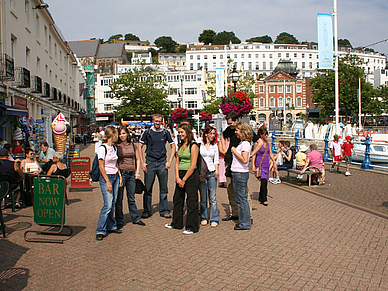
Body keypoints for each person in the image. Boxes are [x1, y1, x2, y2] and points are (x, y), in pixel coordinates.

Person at [138, 113, 176, 218]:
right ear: (153, 121)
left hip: (162, 163)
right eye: (156, 121)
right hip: (150, 162)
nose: (157, 123)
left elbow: (173, 146)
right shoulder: (147, 132)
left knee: (164, 188)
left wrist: (169, 161)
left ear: (161, 121)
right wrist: (142, 162)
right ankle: (147, 210)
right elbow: (139, 146)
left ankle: (164, 210)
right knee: (148, 188)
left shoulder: (165, 132)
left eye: (159, 121)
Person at [165, 123, 200, 235]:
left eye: (182, 132)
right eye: (178, 132)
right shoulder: (180, 146)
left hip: (190, 175)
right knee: (178, 199)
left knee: (191, 201)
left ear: (187, 132)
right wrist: (177, 177)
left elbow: (193, 165)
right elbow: (177, 162)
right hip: (180, 175)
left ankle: (192, 226)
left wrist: (184, 179)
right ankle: (176, 223)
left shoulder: (193, 146)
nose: (180, 134)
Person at [221, 111, 252, 221]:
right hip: (230, 162)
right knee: (231, 189)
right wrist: (225, 149)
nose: (230, 126)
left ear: (236, 121)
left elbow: (259, 142)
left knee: (243, 193)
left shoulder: (244, 137)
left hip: (239, 167)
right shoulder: (229, 130)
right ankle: (235, 213)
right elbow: (223, 136)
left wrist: (250, 154)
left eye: (231, 124)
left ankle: (248, 215)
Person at [96, 126, 123, 241]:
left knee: (113, 202)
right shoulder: (103, 148)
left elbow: (116, 164)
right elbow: (101, 167)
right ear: (112, 135)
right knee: (107, 204)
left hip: (115, 175)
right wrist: (107, 181)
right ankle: (100, 229)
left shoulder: (114, 148)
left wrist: (120, 176)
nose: (118, 136)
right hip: (107, 177)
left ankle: (111, 225)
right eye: (116, 134)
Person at [115, 126, 145, 229]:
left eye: (123, 133)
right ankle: (119, 219)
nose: (122, 136)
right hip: (122, 173)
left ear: (127, 134)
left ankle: (135, 218)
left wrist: (137, 172)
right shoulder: (117, 146)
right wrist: (118, 174)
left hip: (131, 174)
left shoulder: (133, 145)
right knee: (119, 199)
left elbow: (137, 159)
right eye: (120, 134)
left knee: (131, 198)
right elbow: (115, 161)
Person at [230, 121, 253, 230]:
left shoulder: (244, 144)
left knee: (241, 199)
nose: (236, 132)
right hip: (238, 173)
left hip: (240, 173)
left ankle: (245, 223)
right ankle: (245, 221)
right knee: (241, 198)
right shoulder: (243, 143)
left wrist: (234, 151)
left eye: (237, 130)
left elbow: (244, 160)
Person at [199, 125, 220, 227]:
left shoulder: (214, 146)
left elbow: (216, 159)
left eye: (213, 134)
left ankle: (214, 218)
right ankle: (203, 217)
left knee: (212, 197)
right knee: (203, 198)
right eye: (210, 133)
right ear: (206, 134)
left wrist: (217, 170)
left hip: (211, 172)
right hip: (202, 173)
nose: (212, 135)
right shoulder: (200, 145)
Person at [251, 127, 277, 206]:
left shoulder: (268, 143)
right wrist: (253, 165)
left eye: (267, 134)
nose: (266, 136)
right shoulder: (257, 143)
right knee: (263, 181)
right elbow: (254, 154)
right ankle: (264, 198)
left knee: (265, 180)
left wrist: (274, 162)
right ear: (260, 135)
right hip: (260, 163)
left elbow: (271, 153)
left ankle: (261, 196)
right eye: (264, 134)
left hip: (266, 164)